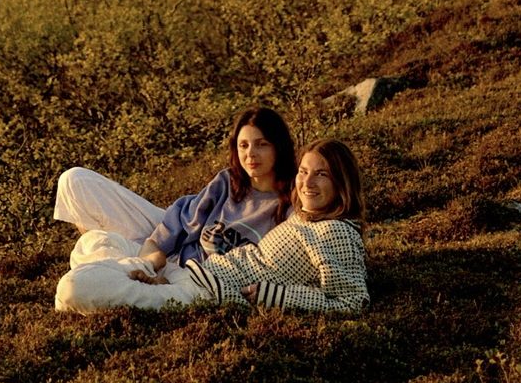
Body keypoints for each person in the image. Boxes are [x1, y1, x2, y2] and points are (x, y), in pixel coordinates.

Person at [55, 139, 368, 315]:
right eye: (303, 172)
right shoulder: (305, 220)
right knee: (94, 241)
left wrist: (274, 295)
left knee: (74, 288)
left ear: (342, 183)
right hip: (194, 273)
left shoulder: (335, 233)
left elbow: (352, 301)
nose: (307, 183)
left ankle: (114, 280)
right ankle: (131, 274)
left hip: (206, 293)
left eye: (322, 174)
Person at [52, 107, 298, 309]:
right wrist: (148, 262)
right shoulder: (227, 181)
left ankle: (112, 276)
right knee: (76, 182)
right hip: (172, 254)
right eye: (243, 145)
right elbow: (180, 224)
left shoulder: (291, 206)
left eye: (261, 144)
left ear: (279, 147)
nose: (251, 154)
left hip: (197, 282)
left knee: (88, 261)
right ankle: (124, 276)